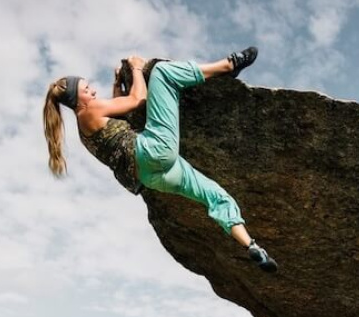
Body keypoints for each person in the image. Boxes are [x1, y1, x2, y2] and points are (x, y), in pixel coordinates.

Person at [41, 48, 278, 272]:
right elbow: (137, 100)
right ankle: (227, 65)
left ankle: (252, 246)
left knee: (214, 194)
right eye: (86, 89)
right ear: (78, 100)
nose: (92, 91)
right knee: (162, 73)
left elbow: (120, 113)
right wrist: (136, 68)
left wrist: (116, 84)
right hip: (152, 150)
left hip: (151, 177)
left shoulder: (84, 126)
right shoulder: (89, 110)